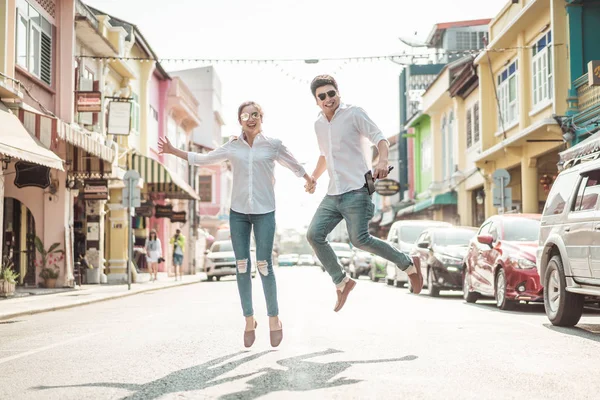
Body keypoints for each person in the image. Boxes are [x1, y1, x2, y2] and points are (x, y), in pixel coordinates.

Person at [158, 101, 315, 348]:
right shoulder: (232, 147)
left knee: (264, 265)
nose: (250, 118)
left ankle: (274, 318)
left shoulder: (273, 145)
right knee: (242, 265)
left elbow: (293, 164)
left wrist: (309, 179)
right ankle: (249, 319)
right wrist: (173, 151)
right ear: (239, 120)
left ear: (262, 117)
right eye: (245, 115)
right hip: (238, 213)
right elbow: (205, 158)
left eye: (255, 114)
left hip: (265, 211)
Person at [305, 75, 423, 313]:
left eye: (331, 93)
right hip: (333, 193)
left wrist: (383, 162)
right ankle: (342, 281)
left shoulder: (354, 113)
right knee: (314, 235)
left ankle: (408, 264)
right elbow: (324, 156)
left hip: (357, 189)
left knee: (359, 239)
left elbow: (380, 139)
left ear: (338, 93)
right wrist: (314, 178)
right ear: (316, 101)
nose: (328, 99)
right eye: (322, 96)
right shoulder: (318, 124)